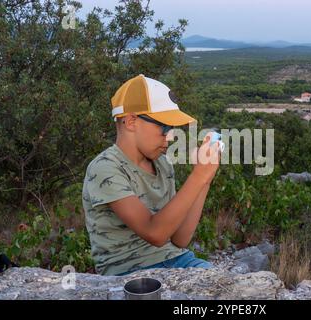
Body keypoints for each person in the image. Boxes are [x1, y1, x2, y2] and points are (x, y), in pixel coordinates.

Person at [82, 74, 221, 276]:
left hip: (177, 259)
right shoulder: (105, 168)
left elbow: (180, 239)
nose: (170, 136)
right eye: (164, 127)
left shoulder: (163, 164)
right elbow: (155, 233)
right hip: (127, 272)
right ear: (131, 121)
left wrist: (205, 179)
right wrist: (198, 176)